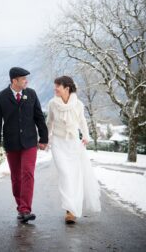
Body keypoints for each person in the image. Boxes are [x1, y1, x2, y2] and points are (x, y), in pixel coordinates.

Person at [0, 67, 48, 223]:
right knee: (16, 178)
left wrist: (43, 138)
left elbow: (39, 117)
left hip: (29, 142)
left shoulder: (32, 94)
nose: (26, 81)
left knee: (28, 173)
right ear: (14, 81)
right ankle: (20, 207)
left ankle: (25, 209)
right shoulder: (0, 97)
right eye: (23, 78)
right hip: (11, 143)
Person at [46, 76, 101, 224]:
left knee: (75, 176)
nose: (55, 88)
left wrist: (86, 136)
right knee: (65, 174)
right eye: (55, 85)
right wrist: (45, 139)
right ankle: (69, 206)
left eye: (58, 86)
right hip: (58, 142)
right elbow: (49, 122)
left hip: (73, 144)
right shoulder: (52, 103)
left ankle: (71, 210)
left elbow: (82, 121)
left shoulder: (78, 104)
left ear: (67, 88)